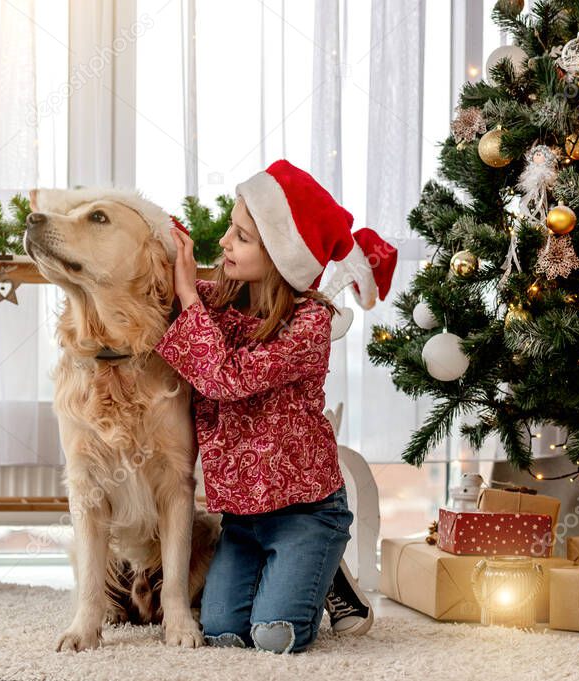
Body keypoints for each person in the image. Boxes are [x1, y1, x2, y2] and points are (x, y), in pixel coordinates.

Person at [154, 159, 396, 653]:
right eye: (230, 227)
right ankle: (299, 573)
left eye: (240, 236)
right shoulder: (219, 304)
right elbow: (163, 297)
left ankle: (325, 567)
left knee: (273, 637)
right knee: (221, 634)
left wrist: (185, 293)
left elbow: (226, 378)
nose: (223, 241)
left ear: (283, 255)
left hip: (306, 512)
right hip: (242, 517)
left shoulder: (308, 325)